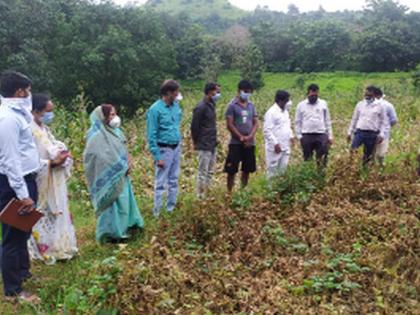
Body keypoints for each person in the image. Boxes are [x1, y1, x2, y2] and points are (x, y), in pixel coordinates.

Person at [0, 71, 43, 302]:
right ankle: (13, 292)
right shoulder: (7, 118)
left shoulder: (19, 113)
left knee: (22, 232)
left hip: (26, 179)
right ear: (19, 91)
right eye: (27, 90)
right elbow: (10, 161)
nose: (29, 95)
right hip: (14, 184)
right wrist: (23, 194)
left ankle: (22, 273)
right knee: (12, 237)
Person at [27, 94, 78, 264]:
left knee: (56, 212)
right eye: (48, 112)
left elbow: (52, 145)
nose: (51, 115)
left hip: (54, 178)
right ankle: (42, 248)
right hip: (41, 179)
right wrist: (51, 163)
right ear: (35, 111)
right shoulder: (29, 130)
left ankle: (58, 245)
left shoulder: (43, 128)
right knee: (43, 214)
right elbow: (29, 159)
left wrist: (62, 154)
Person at [84, 104, 144, 243]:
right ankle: (109, 233)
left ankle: (126, 227)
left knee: (123, 202)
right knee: (110, 204)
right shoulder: (95, 135)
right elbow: (94, 155)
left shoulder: (117, 131)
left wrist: (128, 162)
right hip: (107, 177)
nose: (114, 117)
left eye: (115, 114)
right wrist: (115, 167)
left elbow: (124, 147)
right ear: (103, 117)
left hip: (122, 175)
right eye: (111, 115)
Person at [146, 80, 183, 217]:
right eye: (175, 92)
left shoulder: (176, 107)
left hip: (175, 147)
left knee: (174, 180)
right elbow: (151, 135)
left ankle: (170, 209)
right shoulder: (155, 110)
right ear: (168, 93)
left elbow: (177, 124)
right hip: (163, 149)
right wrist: (157, 156)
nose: (177, 95)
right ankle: (158, 213)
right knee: (161, 182)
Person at [224, 80, 258, 192]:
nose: (247, 94)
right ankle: (229, 192)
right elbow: (230, 124)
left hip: (250, 142)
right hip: (235, 143)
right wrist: (241, 137)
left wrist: (250, 137)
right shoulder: (232, 106)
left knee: (247, 168)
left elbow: (256, 122)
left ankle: (243, 191)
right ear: (239, 91)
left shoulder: (251, 106)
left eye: (249, 92)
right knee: (232, 169)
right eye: (245, 91)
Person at [191, 82, 221, 198]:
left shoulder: (211, 105)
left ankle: (207, 194)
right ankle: (200, 196)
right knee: (202, 171)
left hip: (212, 142)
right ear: (210, 92)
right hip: (204, 143)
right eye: (216, 91)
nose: (218, 94)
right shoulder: (201, 107)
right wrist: (196, 142)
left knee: (210, 171)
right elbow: (194, 127)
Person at [347, 86, 388, 165]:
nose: (367, 95)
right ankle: (351, 168)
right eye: (365, 93)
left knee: (368, 155)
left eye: (369, 94)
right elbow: (354, 119)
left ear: (374, 94)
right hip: (360, 132)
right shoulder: (360, 104)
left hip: (372, 134)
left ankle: (364, 171)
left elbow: (384, 122)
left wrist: (381, 134)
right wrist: (349, 132)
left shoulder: (380, 106)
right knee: (353, 149)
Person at [295, 84, 333, 167]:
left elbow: (327, 120)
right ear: (308, 93)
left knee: (322, 158)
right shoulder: (301, 105)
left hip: (321, 135)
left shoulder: (323, 103)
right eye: (312, 95)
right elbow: (298, 122)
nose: (314, 97)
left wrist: (330, 136)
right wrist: (299, 136)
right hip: (306, 135)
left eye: (316, 95)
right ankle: (309, 176)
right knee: (307, 159)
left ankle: (320, 176)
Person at [263, 90, 294, 178]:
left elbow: (287, 125)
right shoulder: (271, 113)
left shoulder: (285, 112)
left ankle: (279, 190)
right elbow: (267, 130)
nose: (288, 102)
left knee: (282, 171)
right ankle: (270, 190)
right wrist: (275, 143)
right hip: (275, 147)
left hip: (285, 146)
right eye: (287, 100)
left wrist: (291, 136)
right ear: (280, 101)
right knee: (272, 172)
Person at [373, 87, 398, 165]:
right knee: (373, 153)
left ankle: (380, 166)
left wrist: (385, 128)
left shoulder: (388, 106)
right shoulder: (366, 105)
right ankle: (374, 168)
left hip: (382, 133)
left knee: (380, 154)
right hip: (371, 132)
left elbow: (394, 120)